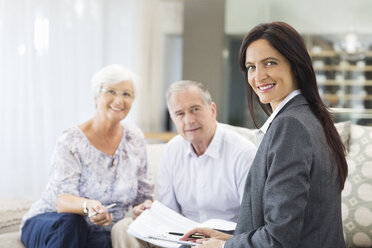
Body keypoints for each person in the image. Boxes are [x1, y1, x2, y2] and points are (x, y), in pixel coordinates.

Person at [181, 22, 348, 248]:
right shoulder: (310, 117)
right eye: (251, 67)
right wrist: (227, 239)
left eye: (270, 63)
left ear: (295, 66)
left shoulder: (291, 126)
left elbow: (279, 239)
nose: (258, 76)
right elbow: (290, 231)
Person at [110, 80, 257, 248]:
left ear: (212, 110)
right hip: (182, 237)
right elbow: (168, 212)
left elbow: (252, 223)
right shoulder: (172, 150)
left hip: (225, 239)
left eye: (195, 109)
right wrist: (151, 214)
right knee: (124, 228)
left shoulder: (243, 153)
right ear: (173, 118)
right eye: (180, 114)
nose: (188, 120)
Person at [20, 64, 154, 248]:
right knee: (71, 223)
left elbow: (144, 196)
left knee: (106, 240)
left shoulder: (135, 138)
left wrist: (142, 207)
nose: (119, 100)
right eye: (111, 91)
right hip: (54, 221)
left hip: (103, 230)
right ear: (96, 96)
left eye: (126, 94)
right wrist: (88, 206)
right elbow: (62, 199)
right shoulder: (71, 140)